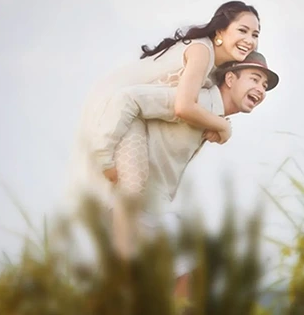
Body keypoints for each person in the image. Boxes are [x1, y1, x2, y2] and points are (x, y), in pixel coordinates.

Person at [73, 50, 280, 299]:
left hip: (152, 209)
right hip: (134, 206)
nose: (261, 89)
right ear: (230, 79)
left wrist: (222, 126)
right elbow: (130, 99)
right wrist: (105, 158)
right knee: (183, 285)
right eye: (255, 79)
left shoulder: (210, 114)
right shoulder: (196, 103)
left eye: (265, 85)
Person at [68, 1, 260, 251]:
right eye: (242, 30)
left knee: (139, 205)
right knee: (133, 186)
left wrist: (213, 123)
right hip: (122, 110)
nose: (250, 40)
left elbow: (194, 108)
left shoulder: (216, 71)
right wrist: (222, 126)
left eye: (255, 34)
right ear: (220, 31)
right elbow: (183, 106)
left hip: (140, 110)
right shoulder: (202, 52)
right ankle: (123, 274)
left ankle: (130, 268)